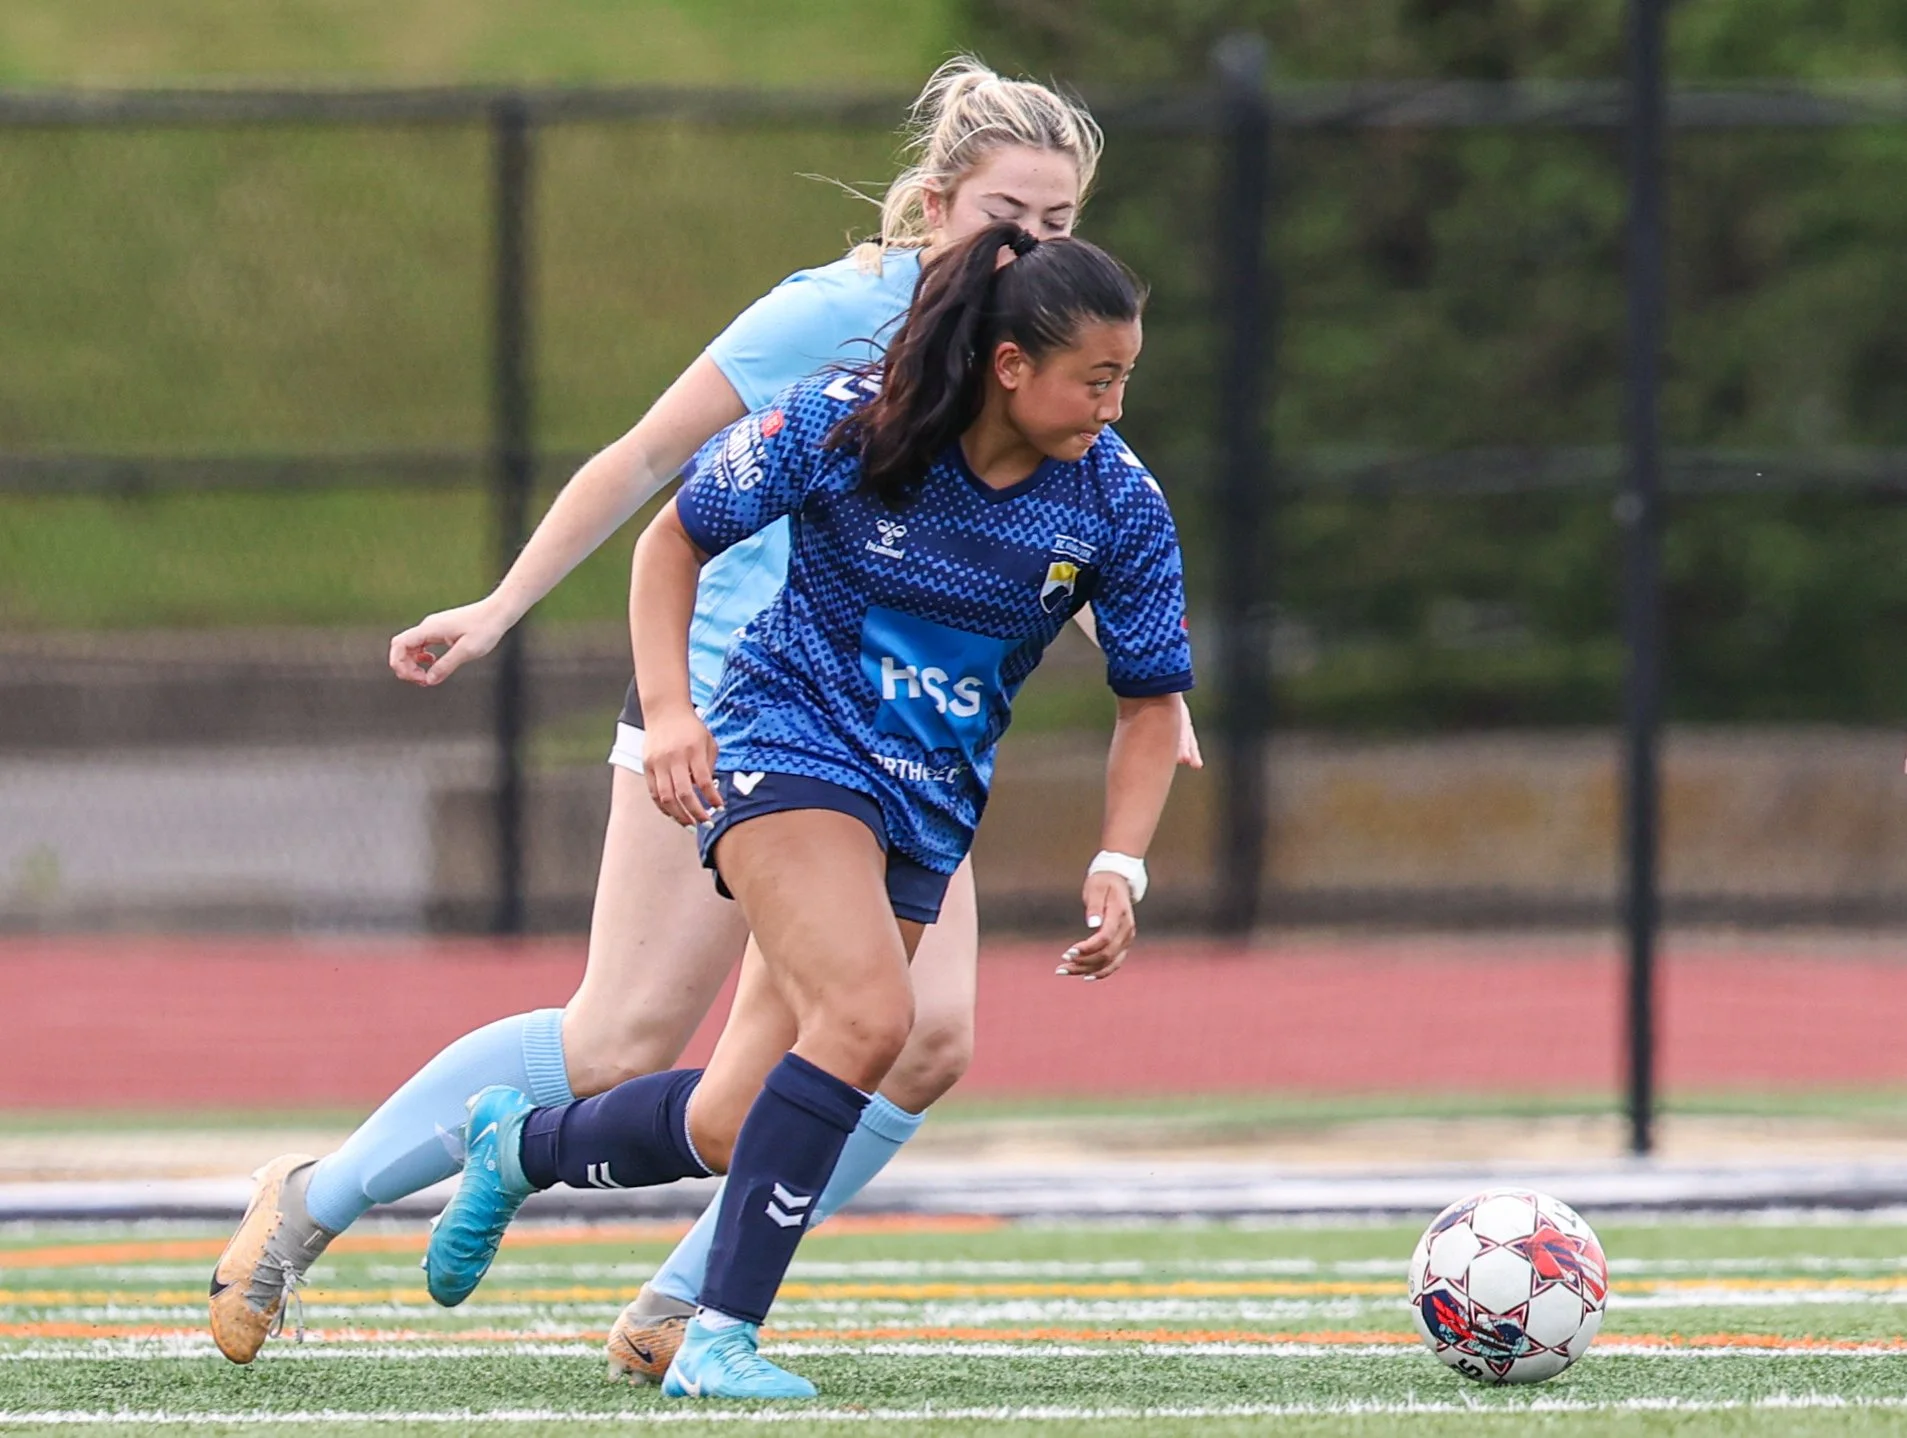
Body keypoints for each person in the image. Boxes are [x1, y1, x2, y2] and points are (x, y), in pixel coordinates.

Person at [206, 58, 1195, 1367]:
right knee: (620, 1034)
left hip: (897, 741)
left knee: (917, 1038)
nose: (1034, 245)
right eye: (1008, 216)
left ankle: (678, 1306)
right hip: (742, 707)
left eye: (1060, 223)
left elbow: (1038, 533)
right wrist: (503, 605)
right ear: (936, 200)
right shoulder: (837, 317)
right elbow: (645, 463)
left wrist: (1149, 690)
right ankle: (312, 1202)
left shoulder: (1047, 360)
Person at [424, 221, 1192, 1400]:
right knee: (870, 1019)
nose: (1115, 405)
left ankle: (516, 1145)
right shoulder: (856, 419)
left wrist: (1119, 863)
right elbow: (671, 537)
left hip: (925, 806)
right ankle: (716, 1335)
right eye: (1097, 379)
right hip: (788, 749)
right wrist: (673, 712)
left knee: (738, 1116)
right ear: (1009, 368)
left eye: (1124, 378)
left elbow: (1151, 703)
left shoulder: (1116, 506)